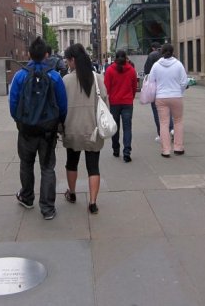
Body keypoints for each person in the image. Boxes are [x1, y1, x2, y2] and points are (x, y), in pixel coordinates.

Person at [9, 37, 67, 220]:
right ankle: (48, 208)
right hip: (48, 130)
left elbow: (13, 102)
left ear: (29, 54)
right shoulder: (55, 76)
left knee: (26, 164)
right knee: (47, 167)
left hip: (26, 129)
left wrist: (19, 120)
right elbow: (63, 104)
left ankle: (27, 197)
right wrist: (60, 122)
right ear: (45, 55)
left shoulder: (20, 75)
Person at [62, 43, 109, 214]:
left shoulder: (65, 81)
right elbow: (105, 102)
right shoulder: (97, 79)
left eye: (67, 61)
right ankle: (93, 202)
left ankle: (72, 193)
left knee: (71, 163)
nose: (67, 64)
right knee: (93, 167)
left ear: (73, 60)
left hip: (72, 129)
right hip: (93, 130)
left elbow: (60, 107)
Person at [148, 43, 188, 157]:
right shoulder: (178, 64)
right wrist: (179, 91)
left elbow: (151, 81)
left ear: (161, 52)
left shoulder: (156, 65)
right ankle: (178, 148)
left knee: (164, 123)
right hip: (176, 96)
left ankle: (165, 150)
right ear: (173, 51)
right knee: (178, 121)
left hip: (161, 97)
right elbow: (184, 82)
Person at [104, 50, 138, 162]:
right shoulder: (132, 70)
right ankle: (127, 151)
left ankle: (116, 149)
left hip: (114, 102)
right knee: (127, 128)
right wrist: (131, 97)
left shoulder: (109, 70)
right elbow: (134, 87)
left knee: (115, 127)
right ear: (126, 58)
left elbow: (106, 88)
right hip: (127, 102)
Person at [143, 42, 173, 141]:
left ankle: (161, 134)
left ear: (153, 48)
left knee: (157, 111)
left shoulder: (152, 56)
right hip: (170, 88)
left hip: (156, 89)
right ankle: (171, 128)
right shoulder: (173, 58)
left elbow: (147, 71)